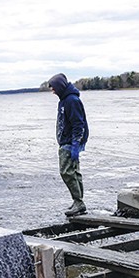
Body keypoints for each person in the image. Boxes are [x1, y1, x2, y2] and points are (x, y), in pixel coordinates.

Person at [47, 73, 89, 216]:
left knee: (67, 172)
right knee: (73, 171)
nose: (52, 91)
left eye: (53, 88)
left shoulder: (71, 100)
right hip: (67, 141)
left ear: (60, 86)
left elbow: (78, 124)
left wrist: (75, 145)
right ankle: (78, 201)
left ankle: (78, 202)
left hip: (70, 142)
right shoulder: (64, 100)